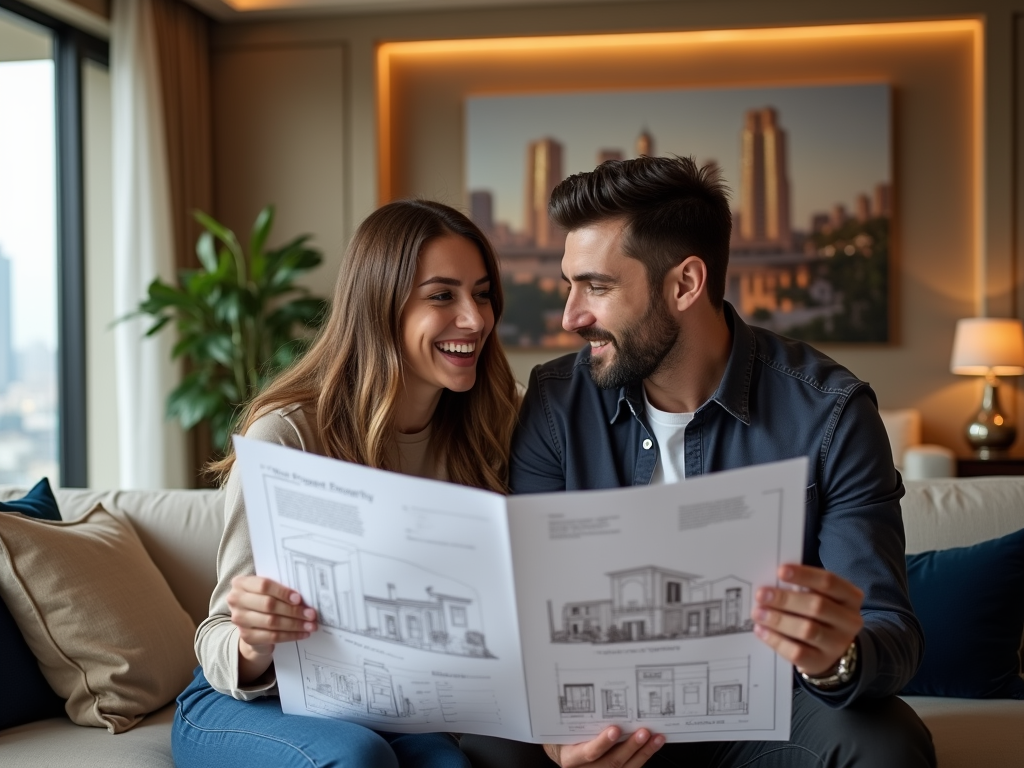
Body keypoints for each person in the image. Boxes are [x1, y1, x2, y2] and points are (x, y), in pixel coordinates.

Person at [505, 156, 936, 767]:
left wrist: (834, 655)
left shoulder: (832, 413)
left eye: (596, 286)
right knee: (489, 745)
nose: (572, 315)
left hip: (767, 711)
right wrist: (553, 731)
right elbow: (529, 604)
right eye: (571, 285)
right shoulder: (555, 403)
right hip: (606, 711)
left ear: (684, 284)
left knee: (885, 741)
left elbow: (888, 625)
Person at [171, 199, 520, 768]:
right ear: (381, 305)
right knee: (356, 758)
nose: (476, 319)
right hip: (251, 701)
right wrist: (255, 641)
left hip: (383, 700)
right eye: (442, 295)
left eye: (481, 293)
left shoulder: (494, 425)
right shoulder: (286, 435)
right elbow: (216, 638)